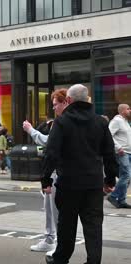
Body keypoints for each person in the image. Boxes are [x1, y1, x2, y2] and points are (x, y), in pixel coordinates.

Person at [42, 84, 117, 264]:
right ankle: (94, 260)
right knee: (93, 226)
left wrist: (45, 179)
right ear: (87, 99)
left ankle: (61, 258)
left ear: (68, 100)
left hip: (68, 183)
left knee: (66, 224)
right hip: (93, 183)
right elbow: (109, 153)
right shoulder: (100, 122)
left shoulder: (61, 122)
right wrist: (110, 179)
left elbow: (51, 153)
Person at [23, 88, 68, 255]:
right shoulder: (60, 121)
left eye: (56, 104)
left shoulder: (63, 122)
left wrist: (30, 130)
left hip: (62, 172)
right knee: (49, 207)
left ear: (66, 102)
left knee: (56, 210)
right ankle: (50, 239)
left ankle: (56, 243)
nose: (54, 108)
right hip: (56, 171)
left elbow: (48, 142)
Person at [107, 103, 131, 209]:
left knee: (127, 177)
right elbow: (108, 135)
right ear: (122, 111)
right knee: (126, 175)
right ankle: (113, 196)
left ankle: (121, 200)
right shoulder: (117, 121)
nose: (130, 110)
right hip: (122, 153)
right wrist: (118, 147)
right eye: (128, 109)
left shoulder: (126, 122)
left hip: (128, 152)